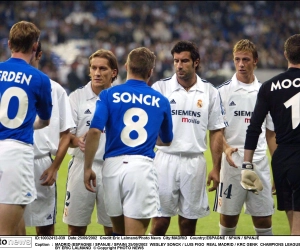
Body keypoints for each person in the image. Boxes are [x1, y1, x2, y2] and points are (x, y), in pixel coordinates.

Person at [84, 47, 173, 236]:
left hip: (112, 168)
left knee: (117, 233)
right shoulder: (161, 101)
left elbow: (94, 132)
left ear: (126, 67)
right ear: (150, 71)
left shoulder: (108, 95)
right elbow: (166, 140)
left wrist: (87, 168)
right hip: (141, 167)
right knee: (135, 237)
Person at [150, 40, 227, 236]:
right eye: (176, 61)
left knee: (188, 225)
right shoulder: (161, 88)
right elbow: (149, 126)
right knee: (159, 222)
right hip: (165, 160)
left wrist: (217, 168)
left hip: (194, 162)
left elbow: (216, 131)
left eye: (184, 61)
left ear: (196, 62)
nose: (179, 65)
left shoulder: (210, 92)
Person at [213, 39, 276, 236]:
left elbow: (271, 133)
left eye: (246, 59)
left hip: (259, 162)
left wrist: (278, 168)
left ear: (255, 61)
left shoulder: (266, 92)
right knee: (228, 218)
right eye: (237, 59)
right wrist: (225, 148)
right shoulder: (222, 92)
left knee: (264, 219)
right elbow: (216, 130)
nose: (241, 64)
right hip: (231, 164)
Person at [16, 41, 75, 236]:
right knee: (14, 226)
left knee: (46, 228)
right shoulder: (8, 83)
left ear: (38, 55)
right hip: (14, 159)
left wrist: (54, 167)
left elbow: (66, 133)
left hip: (41, 163)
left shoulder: (56, 89)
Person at [244, 34, 300, 235]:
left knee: (293, 220)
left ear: (285, 54)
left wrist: (247, 165)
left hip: (283, 158)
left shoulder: (269, 86)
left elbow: (254, 127)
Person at [0, 21, 52, 235]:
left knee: (16, 230)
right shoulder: (40, 79)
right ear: (35, 47)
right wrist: (30, 124)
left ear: (10, 43)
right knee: (6, 233)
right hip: (16, 152)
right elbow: (45, 120)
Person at [63, 49, 119, 236]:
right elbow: (66, 137)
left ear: (113, 73)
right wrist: (76, 140)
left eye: (102, 68)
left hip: (112, 167)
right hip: (80, 166)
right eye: (93, 68)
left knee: (113, 228)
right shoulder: (75, 98)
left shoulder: (121, 98)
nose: (96, 73)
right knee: (76, 228)